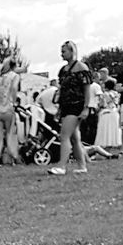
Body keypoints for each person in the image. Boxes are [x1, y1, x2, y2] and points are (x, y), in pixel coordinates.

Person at [48, 40, 94, 176]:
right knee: (74, 138)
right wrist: (59, 108)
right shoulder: (63, 70)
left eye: (64, 51)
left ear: (71, 51)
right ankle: (82, 165)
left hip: (76, 106)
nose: (61, 54)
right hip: (66, 106)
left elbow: (87, 90)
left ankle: (61, 166)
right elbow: (62, 89)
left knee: (64, 135)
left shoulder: (81, 67)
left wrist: (86, 108)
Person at [0, 57, 21, 167]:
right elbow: (14, 88)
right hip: (8, 109)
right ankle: (12, 158)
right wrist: (14, 101)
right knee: (10, 134)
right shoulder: (14, 76)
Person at [95, 77, 121, 151]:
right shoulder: (116, 94)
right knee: (113, 129)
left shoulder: (104, 95)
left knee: (105, 129)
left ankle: (105, 143)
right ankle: (113, 142)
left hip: (106, 112)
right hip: (115, 112)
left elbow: (101, 104)